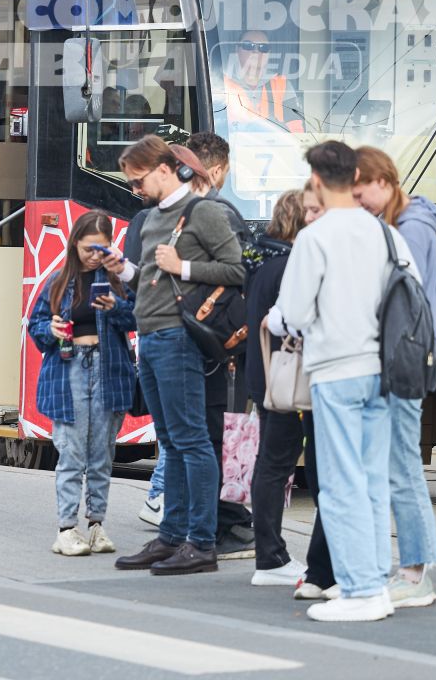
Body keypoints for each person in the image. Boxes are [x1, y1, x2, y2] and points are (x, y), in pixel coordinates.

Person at [270, 140, 398, 622]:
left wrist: (276, 322)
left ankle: (360, 589)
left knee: (340, 483)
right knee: (370, 481)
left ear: (319, 182)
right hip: (381, 369)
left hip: (337, 370)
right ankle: (376, 582)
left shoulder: (316, 238)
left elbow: (295, 313)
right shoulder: (385, 234)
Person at [106, 135, 246, 577]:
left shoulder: (204, 213)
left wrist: (182, 268)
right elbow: (147, 278)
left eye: (138, 181)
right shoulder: (149, 219)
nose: (135, 190)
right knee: (171, 439)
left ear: (165, 170)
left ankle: (200, 542)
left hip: (179, 337)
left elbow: (238, 268)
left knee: (190, 441)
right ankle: (172, 536)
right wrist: (122, 268)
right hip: (150, 337)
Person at [354, 146, 436, 609]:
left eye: (363, 189)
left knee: (402, 469)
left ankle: (415, 572)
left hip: (404, 359)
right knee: (399, 467)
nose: (359, 199)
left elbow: (410, 303)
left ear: (385, 181)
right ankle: (415, 567)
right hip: (402, 356)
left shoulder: (409, 229)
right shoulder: (400, 224)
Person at [28, 211, 137, 557]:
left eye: (103, 250)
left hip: (109, 367)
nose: (95, 256)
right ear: (75, 243)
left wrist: (115, 306)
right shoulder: (58, 281)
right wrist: (52, 331)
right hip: (69, 366)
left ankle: (96, 526)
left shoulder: (118, 280)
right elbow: (36, 325)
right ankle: (65, 529)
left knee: (103, 452)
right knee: (72, 452)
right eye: (90, 249)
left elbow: (137, 317)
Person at [247, 188, 338, 598]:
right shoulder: (291, 267)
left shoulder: (262, 261)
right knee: (284, 466)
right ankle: (272, 557)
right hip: (291, 381)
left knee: (272, 464)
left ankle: (270, 553)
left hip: (265, 376)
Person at [182, 131, 255, 559]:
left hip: (211, 342)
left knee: (215, 432)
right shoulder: (223, 213)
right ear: (219, 169)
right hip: (225, 343)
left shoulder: (200, 213)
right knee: (223, 430)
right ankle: (228, 523)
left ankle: (222, 522)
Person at [219, 30, 305, 132]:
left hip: (275, 146)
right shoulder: (222, 83)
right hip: (233, 146)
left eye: (263, 48)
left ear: (269, 54)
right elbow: (217, 125)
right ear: (237, 49)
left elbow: (296, 127)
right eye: (248, 45)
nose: (256, 51)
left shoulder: (282, 84)